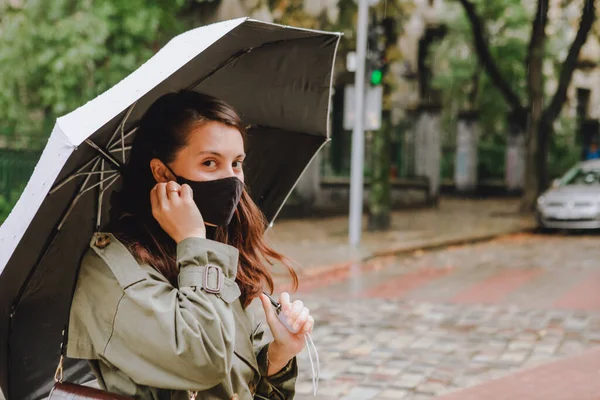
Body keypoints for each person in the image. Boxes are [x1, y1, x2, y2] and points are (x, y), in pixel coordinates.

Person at [67, 91, 313, 399]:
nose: (232, 180)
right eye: (210, 162)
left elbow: (239, 388)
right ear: (162, 173)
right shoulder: (112, 271)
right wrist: (193, 242)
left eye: (236, 163)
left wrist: (277, 357)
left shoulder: (217, 249)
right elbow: (205, 362)